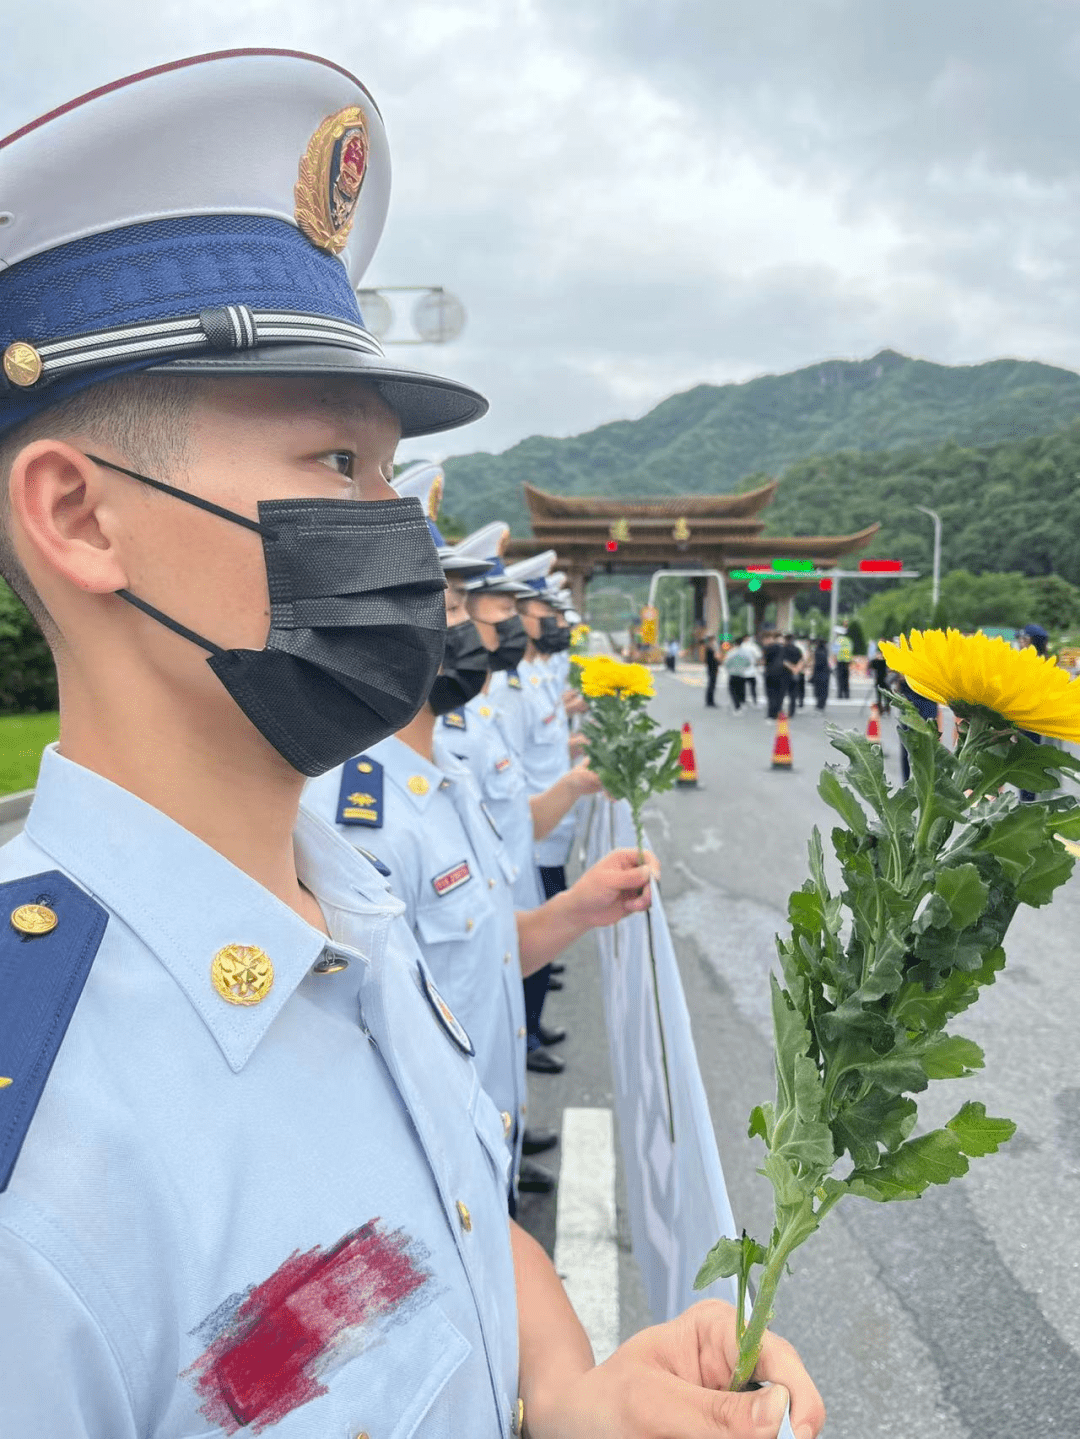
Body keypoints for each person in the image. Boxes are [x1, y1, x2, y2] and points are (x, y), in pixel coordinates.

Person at [0, 51, 826, 1439]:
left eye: (391, 476)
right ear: (81, 515)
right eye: (337, 465)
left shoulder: (350, 908)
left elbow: (437, 1214)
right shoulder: (45, 1147)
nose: (405, 538)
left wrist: (570, 1387)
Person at [763, 631, 790, 720]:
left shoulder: (769, 648)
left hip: (770, 673)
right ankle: (777, 712)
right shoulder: (786, 648)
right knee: (780, 695)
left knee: (771, 695)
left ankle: (771, 714)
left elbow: (765, 661)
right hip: (783, 674)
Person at [724, 635, 753, 712]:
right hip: (742, 673)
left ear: (735, 644)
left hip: (733, 674)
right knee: (741, 689)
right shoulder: (745, 652)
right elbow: (749, 662)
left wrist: (729, 669)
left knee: (733, 690)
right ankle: (741, 702)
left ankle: (737, 706)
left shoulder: (731, 652)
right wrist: (743, 668)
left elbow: (726, 663)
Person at [781, 633, 803, 717]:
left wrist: (791, 668)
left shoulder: (783, 649)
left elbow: (783, 661)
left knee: (782, 694)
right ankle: (792, 712)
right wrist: (796, 669)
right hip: (795, 674)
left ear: (786, 640)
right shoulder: (797, 649)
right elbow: (801, 660)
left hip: (785, 674)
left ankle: (780, 711)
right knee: (793, 694)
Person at [811, 638, 831, 711]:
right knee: (824, 690)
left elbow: (817, 665)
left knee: (818, 690)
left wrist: (813, 675)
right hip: (825, 674)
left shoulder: (817, 652)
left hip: (819, 674)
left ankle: (819, 705)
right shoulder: (825, 651)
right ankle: (821, 705)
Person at [834, 630, 853, 699]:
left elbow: (835, 652)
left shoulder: (838, 640)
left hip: (840, 661)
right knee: (846, 679)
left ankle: (840, 694)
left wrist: (834, 661)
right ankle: (846, 694)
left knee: (840, 679)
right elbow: (851, 650)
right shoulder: (849, 640)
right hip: (847, 662)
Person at [704, 635, 720, 707]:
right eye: (714, 640)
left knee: (711, 685)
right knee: (711, 685)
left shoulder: (709, 649)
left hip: (711, 668)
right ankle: (710, 702)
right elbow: (715, 660)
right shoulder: (710, 649)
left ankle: (710, 701)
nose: (715, 642)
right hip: (712, 668)